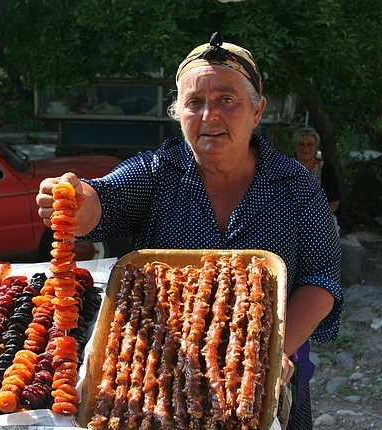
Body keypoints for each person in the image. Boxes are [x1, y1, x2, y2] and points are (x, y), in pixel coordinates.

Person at [36, 33, 343, 430]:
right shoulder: (155, 173)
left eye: (227, 100)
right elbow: (104, 201)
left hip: (261, 376)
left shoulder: (297, 187)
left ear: (257, 110)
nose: (209, 116)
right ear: (178, 112)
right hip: (160, 379)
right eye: (194, 103)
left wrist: (272, 351)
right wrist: (75, 201)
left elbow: (321, 280)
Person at [293, 127, 341, 234]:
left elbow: (334, 201)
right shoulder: (284, 168)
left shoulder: (326, 169)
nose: (305, 149)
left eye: (310, 145)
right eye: (301, 144)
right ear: (295, 147)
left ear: (316, 148)